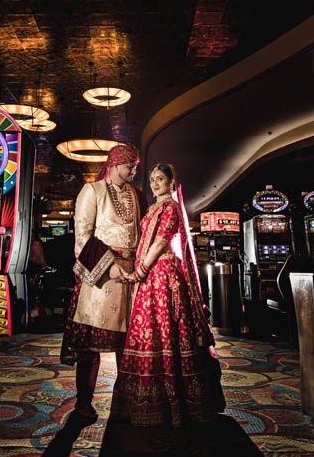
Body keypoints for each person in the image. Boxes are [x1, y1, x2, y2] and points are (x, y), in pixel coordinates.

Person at [115, 162, 226, 427]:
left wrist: (140, 271)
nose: (155, 184)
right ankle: (149, 401)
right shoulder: (153, 208)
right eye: (152, 179)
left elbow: (161, 242)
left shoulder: (171, 208)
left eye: (160, 179)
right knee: (148, 332)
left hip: (163, 275)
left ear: (171, 182)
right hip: (151, 277)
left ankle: (174, 405)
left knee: (165, 333)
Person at [60, 144, 142, 420]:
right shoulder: (92, 191)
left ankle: (125, 401)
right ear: (115, 164)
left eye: (135, 167)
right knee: (90, 346)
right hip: (101, 276)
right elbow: (83, 236)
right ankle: (83, 402)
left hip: (132, 276)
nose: (134, 171)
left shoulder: (137, 195)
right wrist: (110, 268)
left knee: (128, 344)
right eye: (130, 166)